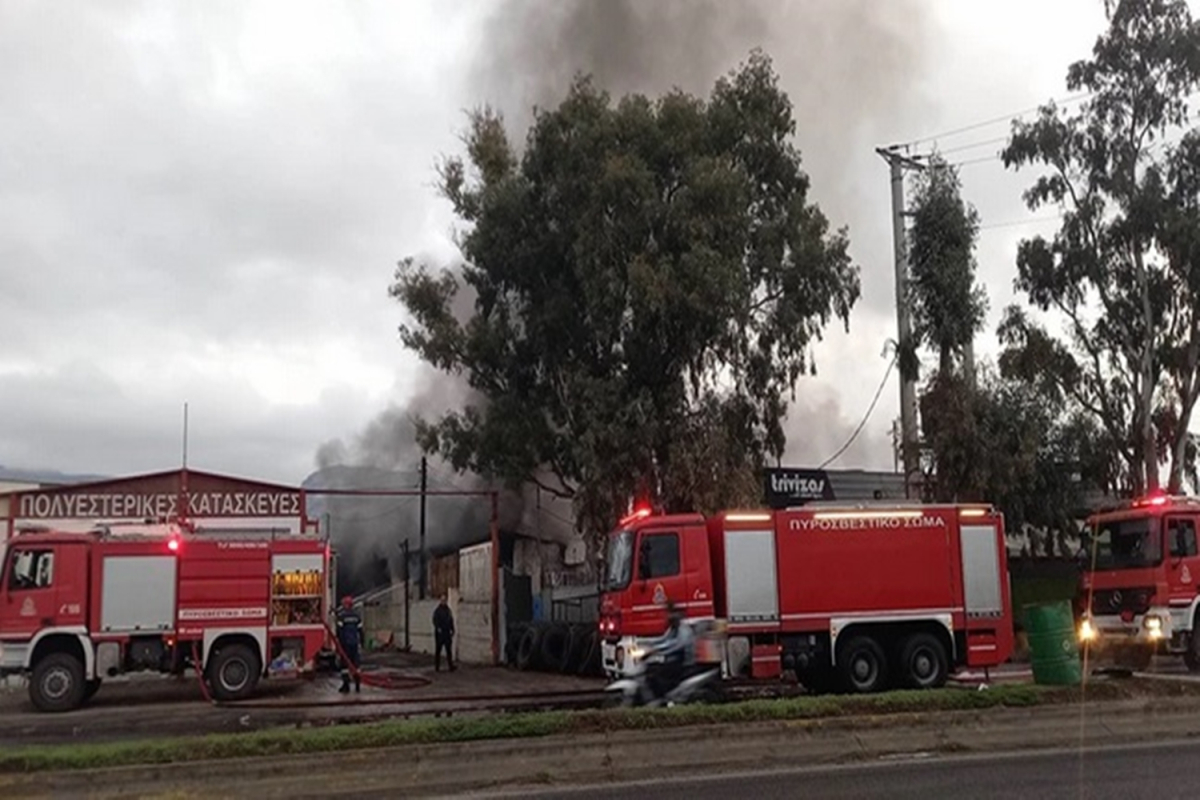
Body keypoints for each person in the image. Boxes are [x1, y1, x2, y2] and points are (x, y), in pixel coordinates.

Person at [645, 603, 695, 701]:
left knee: (658, 673)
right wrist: (647, 643)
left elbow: (676, 645)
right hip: (672, 660)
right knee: (652, 668)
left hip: (682, 663)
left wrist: (657, 650)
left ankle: (666, 698)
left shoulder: (684, 630)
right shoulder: (672, 629)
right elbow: (663, 639)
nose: (668, 617)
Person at [335, 595, 363, 693]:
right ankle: (357, 685)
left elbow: (339, 632)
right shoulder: (357, 616)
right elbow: (360, 631)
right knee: (356, 665)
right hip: (355, 643)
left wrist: (338, 645)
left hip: (345, 644)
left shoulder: (341, 616)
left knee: (344, 666)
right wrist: (361, 643)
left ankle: (346, 686)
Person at [432, 594, 456, 672]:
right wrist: (438, 628)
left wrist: (452, 629)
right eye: (442, 600)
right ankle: (437, 667)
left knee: (448, 650)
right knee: (438, 650)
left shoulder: (448, 610)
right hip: (440, 633)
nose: (444, 602)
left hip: (446, 632)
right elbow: (435, 620)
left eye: (445, 600)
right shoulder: (437, 611)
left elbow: (451, 620)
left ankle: (450, 665)